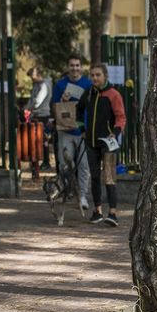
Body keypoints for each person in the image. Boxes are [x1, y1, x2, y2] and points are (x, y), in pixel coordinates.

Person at [83, 63, 126, 226]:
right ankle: (97, 211)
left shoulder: (113, 94)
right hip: (91, 142)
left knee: (109, 177)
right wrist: (81, 128)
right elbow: (79, 110)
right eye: (92, 75)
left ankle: (113, 213)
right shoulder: (88, 94)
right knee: (94, 176)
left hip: (108, 143)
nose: (95, 78)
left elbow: (121, 117)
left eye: (98, 75)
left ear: (105, 76)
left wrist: (114, 133)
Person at [51, 54, 92, 217]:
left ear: (81, 67)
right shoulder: (60, 85)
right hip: (65, 131)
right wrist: (62, 99)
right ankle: (65, 192)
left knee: (84, 165)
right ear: (68, 67)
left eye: (77, 65)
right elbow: (54, 107)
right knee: (64, 165)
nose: (74, 68)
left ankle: (82, 196)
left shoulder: (88, 84)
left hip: (83, 131)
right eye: (72, 65)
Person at [29, 68, 53, 170]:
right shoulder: (36, 84)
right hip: (35, 114)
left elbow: (37, 101)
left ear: (38, 75)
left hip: (43, 115)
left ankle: (46, 162)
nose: (32, 79)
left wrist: (29, 108)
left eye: (33, 77)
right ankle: (37, 162)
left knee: (43, 139)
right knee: (36, 139)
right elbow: (31, 99)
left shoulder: (44, 85)